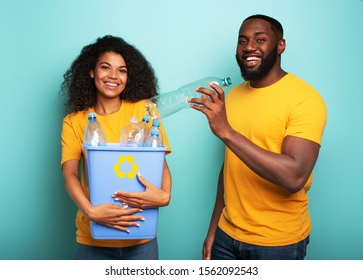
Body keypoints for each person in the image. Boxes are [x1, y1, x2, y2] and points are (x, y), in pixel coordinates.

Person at [189, 14, 327, 260]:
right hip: (225, 237)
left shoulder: (305, 99)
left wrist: (227, 132)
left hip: (277, 243)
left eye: (260, 39)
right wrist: (213, 230)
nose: (249, 47)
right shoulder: (232, 97)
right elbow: (230, 167)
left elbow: (294, 176)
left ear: (280, 45)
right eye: (242, 41)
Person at [60, 35, 172, 260]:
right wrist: (90, 212)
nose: (113, 76)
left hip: (141, 237)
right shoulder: (75, 121)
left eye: (122, 70)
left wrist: (165, 196)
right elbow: (70, 173)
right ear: (91, 71)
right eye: (105, 67)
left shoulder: (144, 110)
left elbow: (161, 165)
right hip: (92, 240)